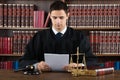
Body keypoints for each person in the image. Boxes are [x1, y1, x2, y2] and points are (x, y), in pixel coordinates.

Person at [19, 0, 98, 72]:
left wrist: (79, 65)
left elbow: (92, 61)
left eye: (61, 17)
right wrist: (37, 66)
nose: (58, 21)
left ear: (67, 16)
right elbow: (23, 61)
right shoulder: (39, 37)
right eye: (54, 17)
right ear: (50, 16)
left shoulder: (80, 37)